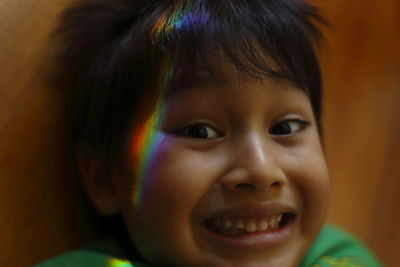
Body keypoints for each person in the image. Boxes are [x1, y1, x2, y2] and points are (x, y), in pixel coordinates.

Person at [36, 0, 382, 266]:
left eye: (285, 127)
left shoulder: (338, 256)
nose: (261, 170)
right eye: (200, 131)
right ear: (105, 178)